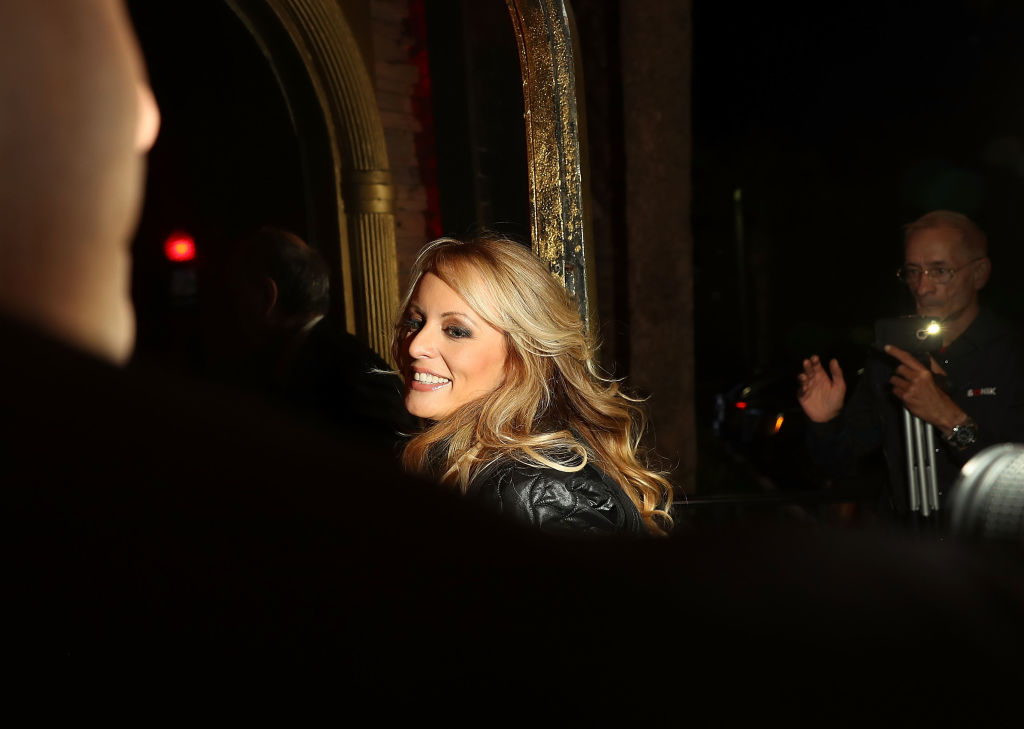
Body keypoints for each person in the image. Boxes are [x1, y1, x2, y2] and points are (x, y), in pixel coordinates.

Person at [391, 234, 674, 536]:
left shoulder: (535, 492)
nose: (416, 345)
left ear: (520, 356)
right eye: (415, 322)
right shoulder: (482, 464)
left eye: (456, 331)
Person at [798, 210, 1024, 525]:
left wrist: (948, 418)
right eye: (913, 271)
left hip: (989, 556)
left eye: (940, 271)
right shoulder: (892, 356)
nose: (922, 288)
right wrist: (824, 422)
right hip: (910, 555)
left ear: (979, 273)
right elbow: (842, 468)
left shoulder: (1011, 353)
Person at [203, 225, 413, 448]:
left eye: (238, 294)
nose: (232, 309)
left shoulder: (351, 371)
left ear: (267, 295)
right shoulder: (299, 360)